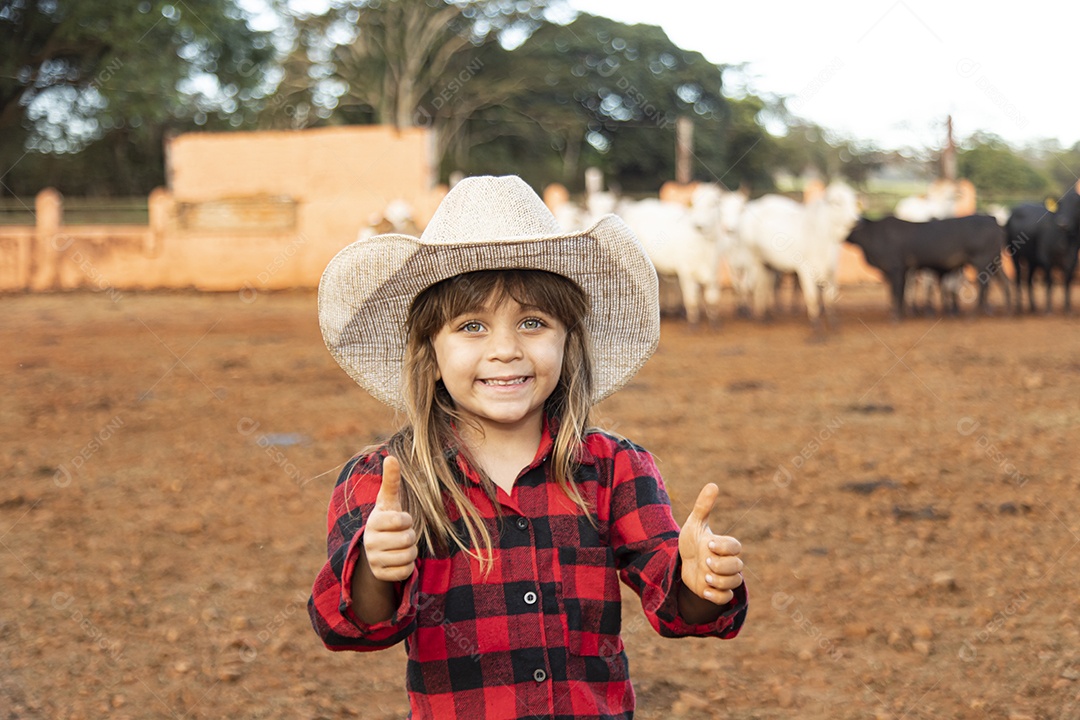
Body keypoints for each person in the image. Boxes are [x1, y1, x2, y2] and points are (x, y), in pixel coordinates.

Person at [309, 175, 747, 719]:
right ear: (429, 349)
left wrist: (701, 580)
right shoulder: (388, 483)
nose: (505, 351)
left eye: (533, 323)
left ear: (569, 338)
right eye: (471, 326)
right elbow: (348, 624)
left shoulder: (613, 469)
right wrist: (377, 566)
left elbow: (679, 604)